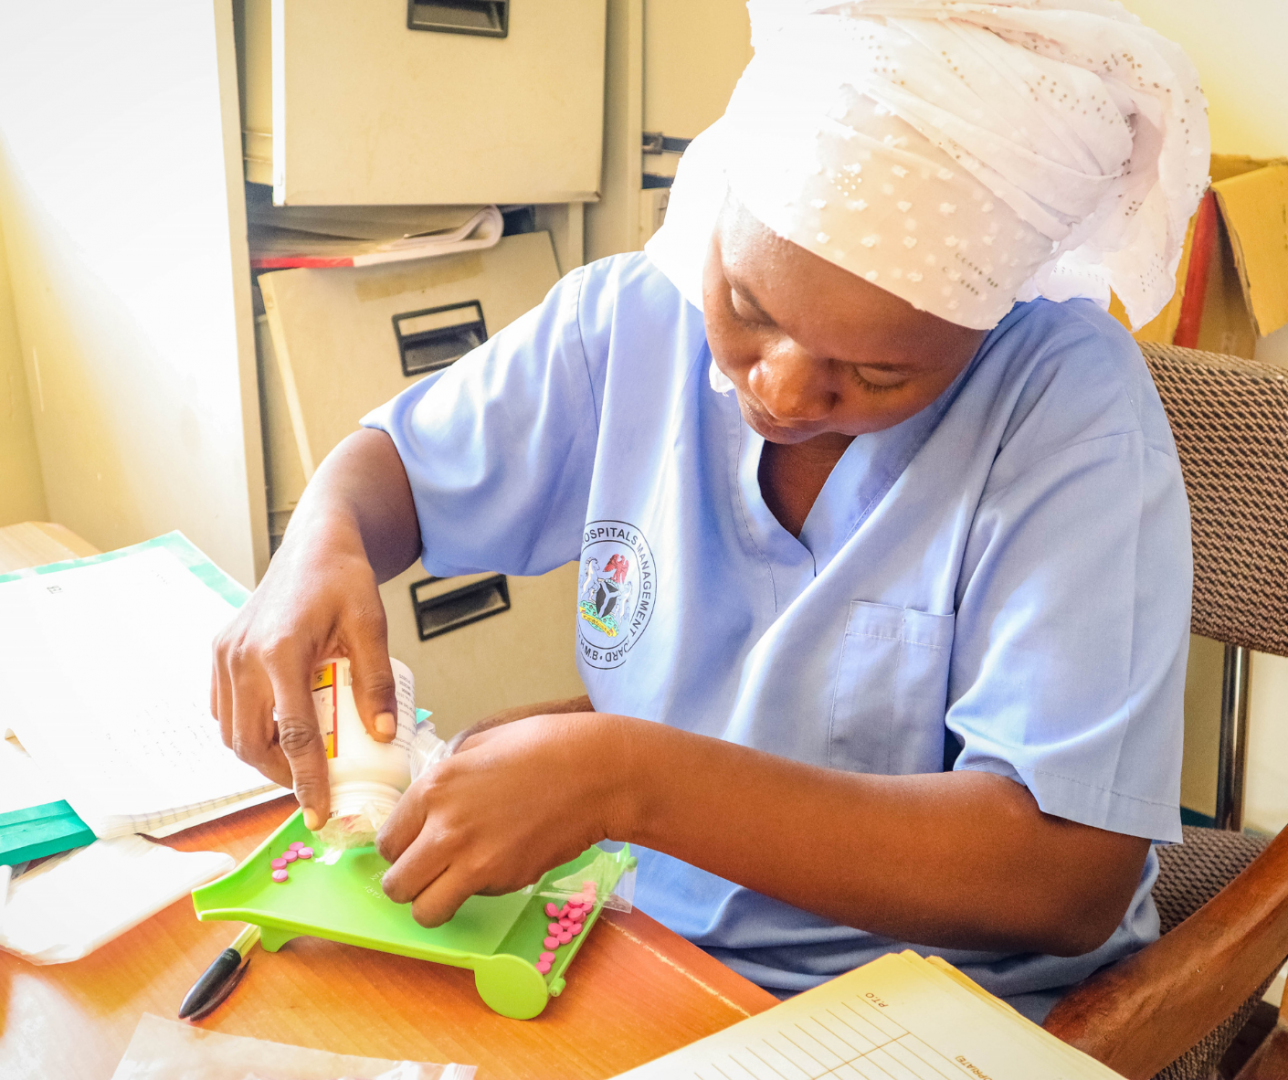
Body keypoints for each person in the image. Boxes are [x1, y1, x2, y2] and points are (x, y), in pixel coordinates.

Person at [211, 0, 1208, 1021]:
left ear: (990, 313)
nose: (778, 392)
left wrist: (627, 781)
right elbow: (397, 472)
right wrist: (318, 542)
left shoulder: (1066, 410)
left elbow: (1061, 880)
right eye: (747, 308)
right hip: (645, 930)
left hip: (938, 1004)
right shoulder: (632, 318)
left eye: (874, 372)